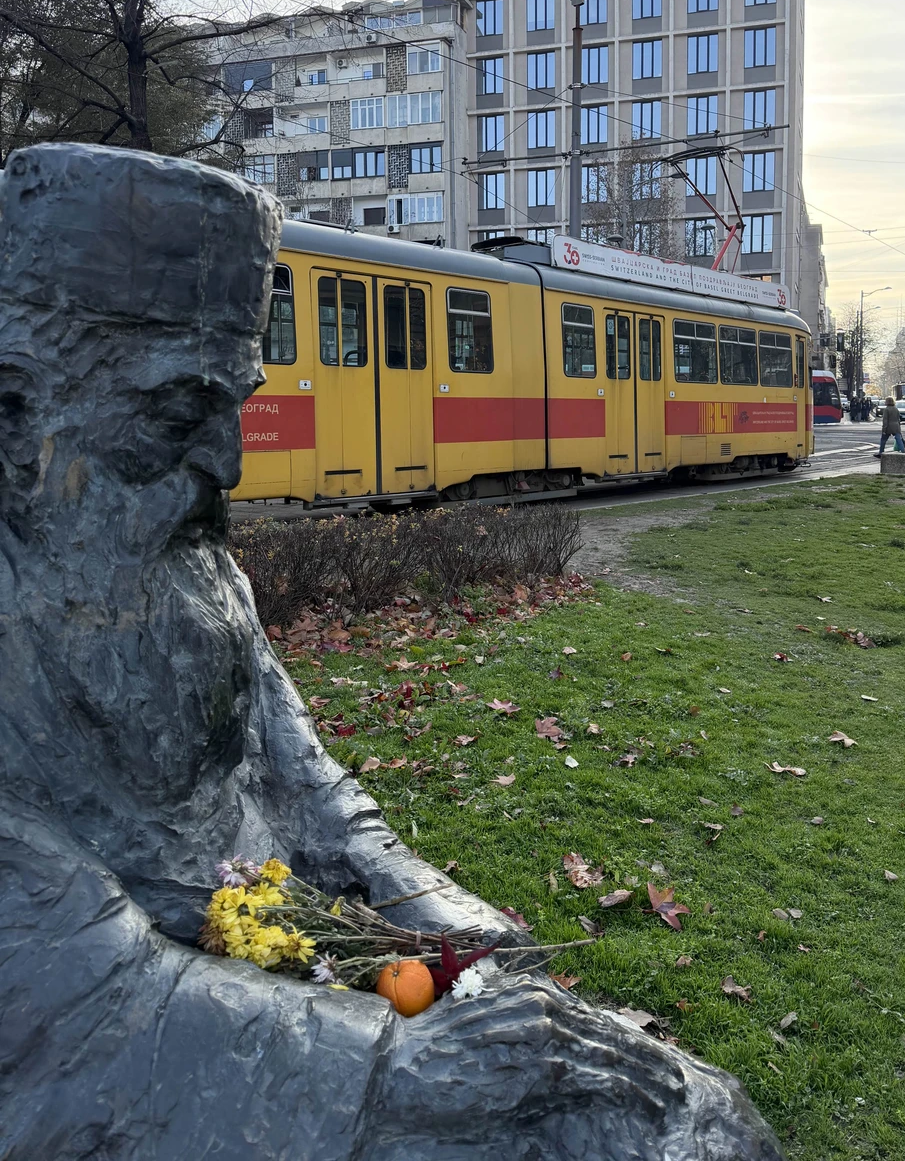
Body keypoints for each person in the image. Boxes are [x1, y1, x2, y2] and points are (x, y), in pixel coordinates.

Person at [0, 144, 781, 1161]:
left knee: (693, 1121)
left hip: (291, 964)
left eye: (234, 403)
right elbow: (59, 1011)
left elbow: (322, 801)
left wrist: (471, 951)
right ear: (15, 415)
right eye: (173, 414)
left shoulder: (195, 576)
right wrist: (396, 1067)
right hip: (161, 1057)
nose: (229, 463)